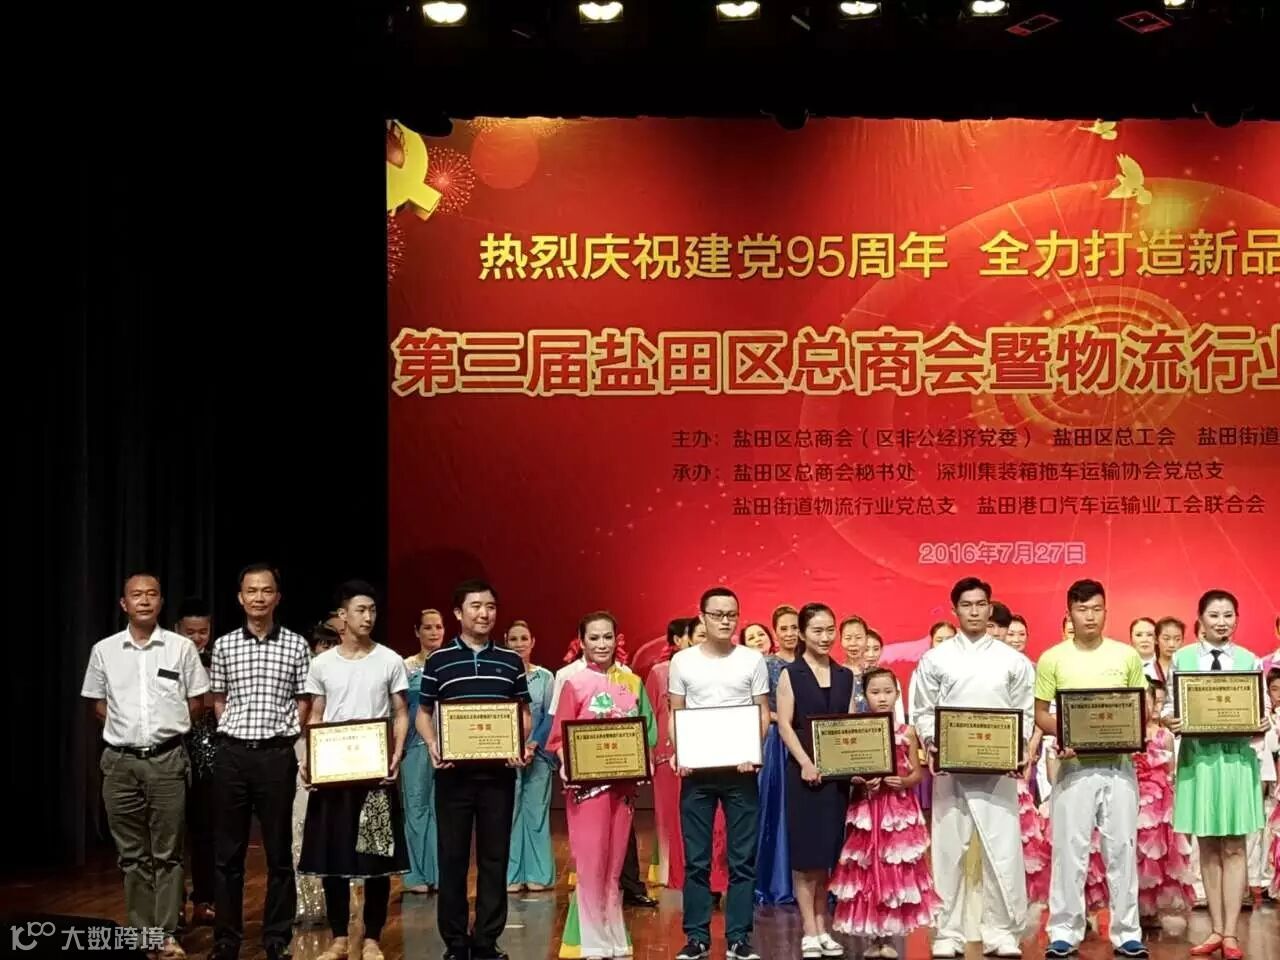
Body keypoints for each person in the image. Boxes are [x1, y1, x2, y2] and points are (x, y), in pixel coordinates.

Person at [81, 573, 210, 960]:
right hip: (119, 762)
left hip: (167, 759)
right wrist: (127, 731)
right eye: (136, 595)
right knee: (132, 855)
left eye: (152, 594)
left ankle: (166, 934)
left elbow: (198, 702)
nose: (144, 600)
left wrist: (164, 729)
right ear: (124, 604)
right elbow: (97, 703)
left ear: (160, 602)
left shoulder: (180, 648)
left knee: (168, 853)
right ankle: (143, 933)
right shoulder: (104, 650)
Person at [911, 576, 1034, 959]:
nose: (975, 611)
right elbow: (922, 710)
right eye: (967, 605)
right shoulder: (936, 659)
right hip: (952, 769)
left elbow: (1025, 710)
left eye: (981, 604)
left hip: (998, 770)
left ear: (990, 607)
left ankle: (1001, 931)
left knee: (1003, 848)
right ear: (955, 610)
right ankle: (947, 933)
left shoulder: (1013, 661)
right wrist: (933, 743)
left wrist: (1018, 748)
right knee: (949, 850)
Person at [418, 579, 535, 960]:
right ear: (458, 612)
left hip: (498, 776)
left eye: (490, 607)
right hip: (452, 776)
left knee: (494, 859)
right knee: (451, 858)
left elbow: (523, 712)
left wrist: (518, 743)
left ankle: (486, 940)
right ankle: (455, 942)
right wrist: (433, 745)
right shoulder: (438, 660)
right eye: (475, 606)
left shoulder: (510, 661)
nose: (484, 613)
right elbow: (423, 713)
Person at [1035, 578, 1148, 959]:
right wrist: (1066, 732)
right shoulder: (1052, 658)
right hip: (1074, 768)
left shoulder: (1126, 656)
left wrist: (1129, 729)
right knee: (1069, 851)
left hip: (1119, 767)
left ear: (1106, 611)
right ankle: (1063, 931)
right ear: (1069, 613)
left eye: (1097, 609)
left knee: (1122, 851)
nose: (1090, 616)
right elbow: (1040, 713)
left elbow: (1140, 709)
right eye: (1082, 610)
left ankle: (1127, 932)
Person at [298, 582, 410, 960]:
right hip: (334, 773)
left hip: (374, 772)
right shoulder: (322, 664)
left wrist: (396, 755)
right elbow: (316, 714)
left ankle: (373, 937)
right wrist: (310, 759)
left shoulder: (389, 660)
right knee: (333, 858)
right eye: (361, 610)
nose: (368, 616)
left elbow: (401, 712)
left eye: (373, 610)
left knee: (376, 858)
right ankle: (340, 938)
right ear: (342, 616)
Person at [209, 563, 311, 960]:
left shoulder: (297, 645)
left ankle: (276, 938)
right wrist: (234, 733)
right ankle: (226, 939)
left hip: (276, 755)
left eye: (266, 590)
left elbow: (303, 700)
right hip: (232, 754)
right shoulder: (224, 646)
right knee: (228, 853)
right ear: (240, 597)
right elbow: (219, 700)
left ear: (277, 597)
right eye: (251, 590)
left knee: (279, 853)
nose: (258, 597)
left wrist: (284, 735)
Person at [1165, 589, 1270, 960]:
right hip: (1198, 759)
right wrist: (1170, 718)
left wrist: (1261, 720)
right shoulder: (1182, 658)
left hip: (1236, 759)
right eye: (1214, 615)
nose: (1222, 622)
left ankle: (1231, 934)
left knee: (1235, 845)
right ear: (1200, 620)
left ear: (1236, 619)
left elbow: (1261, 708)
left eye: (1228, 615)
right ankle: (1214, 929)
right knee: (1208, 845)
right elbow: (1169, 705)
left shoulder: (1249, 660)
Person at [549, 611, 659, 959]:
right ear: (581, 642)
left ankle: (614, 936)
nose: (601, 644)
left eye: (607, 637)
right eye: (593, 638)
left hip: (622, 789)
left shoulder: (633, 683)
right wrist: (569, 763)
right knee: (591, 864)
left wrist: (644, 760)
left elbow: (648, 731)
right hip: (587, 791)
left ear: (617, 640)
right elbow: (559, 737)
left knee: (614, 867)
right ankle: (592, 941)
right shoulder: (574, 683)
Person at [669, 586, 769, 960]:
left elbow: (762, 712)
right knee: (697, 859)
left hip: (741, 772)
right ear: (702, 617)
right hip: (697, 772)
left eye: (731, 614)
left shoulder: (751, 660)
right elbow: (676, 712)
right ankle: (697, 937)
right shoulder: (683, 661)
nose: (725, 621)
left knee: (742, 860)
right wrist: (680, 752)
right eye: (717, 614)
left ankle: (739, 937)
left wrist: (753, 751)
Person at [832, 666, 940, 958]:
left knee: (895, 870)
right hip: (868, 809)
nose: (882, 698)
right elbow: (847, 767)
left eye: (888, 692)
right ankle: (874, 937)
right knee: (869, 869)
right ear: (864, 695)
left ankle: (890, 937)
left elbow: (917, 773)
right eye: (875, 692)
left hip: (898, 811)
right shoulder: (858, 729)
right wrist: (859, 779)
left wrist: (903, 781)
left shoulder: (908, 732)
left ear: (897, 694)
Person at [775, 603, 855, 958]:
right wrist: (805, 762)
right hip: (804, 774)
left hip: (837, 777)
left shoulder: (845, 675)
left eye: (829, 630)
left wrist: (854, 764)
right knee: (806, 856)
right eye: (817, 631)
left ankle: (823, 926)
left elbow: (850, 725)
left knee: (827, 855)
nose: (825, 637)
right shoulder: (790, 674)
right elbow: (785, 724)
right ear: (803, 633)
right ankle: (809, 928)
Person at [1134, 678, 1195, 928]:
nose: (1148, 706)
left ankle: (1153, 908)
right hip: (1134, 800)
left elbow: (1171, 772)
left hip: (1159, 806)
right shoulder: (1127, 736)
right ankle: (1133, 909)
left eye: (1152, 700)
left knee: (1157, 857)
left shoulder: (1165, 736)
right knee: (1135, 853)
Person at [505, 620, 557, 893]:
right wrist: (512, 748)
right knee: (509, 813)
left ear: (532, 642)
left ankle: (538, 874)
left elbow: (550, 715)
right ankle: (511, 875)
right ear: (505, 641)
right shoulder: (500, 674)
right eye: (513, 639)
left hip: (537, 755)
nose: (519, 644)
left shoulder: (546, 677)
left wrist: (532, 745)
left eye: (524, 638)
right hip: (506, 757)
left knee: (536, 813)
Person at [175, 598, 218, 927]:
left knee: (207, 833)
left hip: (210, 757)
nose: (196, 638)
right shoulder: (165, 658)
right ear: (177, 629)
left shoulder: (219, 661)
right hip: (174, 751)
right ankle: (173, 902)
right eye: (190, 632)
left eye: (202, 631)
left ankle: (205, 900)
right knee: (172, 834)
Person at [294, 624, 338, 927]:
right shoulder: (305, 674)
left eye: (331, 644)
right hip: (303, 746)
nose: (326, 649)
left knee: (332, 824)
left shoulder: (341, 672)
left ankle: (336, 900)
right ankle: (304, 901)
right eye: (321, 644)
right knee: (300, 823)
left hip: (337, 747)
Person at [402, 608, 446, 894]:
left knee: (443, 809)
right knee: (416, 807)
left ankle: (442, 873)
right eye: (428, 627)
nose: (434, 632)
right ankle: (417, 875)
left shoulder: (450, 662)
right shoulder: (405, 667)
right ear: (417, 631)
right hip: (415, 745)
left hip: (449, 746)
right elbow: (398, 709)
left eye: (438, 627)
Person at [647, 617, 692, 888]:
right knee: (668, 814)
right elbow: (650, 715)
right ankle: (668, 870)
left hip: (700, 754)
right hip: (666, 754)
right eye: (693, 635)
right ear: (677, 640)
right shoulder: (659, 672)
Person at [755, 617, 793, 907]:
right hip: (777, 742)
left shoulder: (810, 663)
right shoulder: (766, 664)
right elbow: (761, 706)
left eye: (795, 627)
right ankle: (773, 881)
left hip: (805, 738)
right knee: (775, 808)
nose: (790, 633)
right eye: (784, 628)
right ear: (775, 633)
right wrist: (788, 722)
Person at [1153, 617, 1184, 683]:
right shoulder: (1147, 670)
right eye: (1166, 639)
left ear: (1182, 641)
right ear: (1156, 639)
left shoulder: (1188, 668)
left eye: (1177, 639)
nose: (1171, 645)